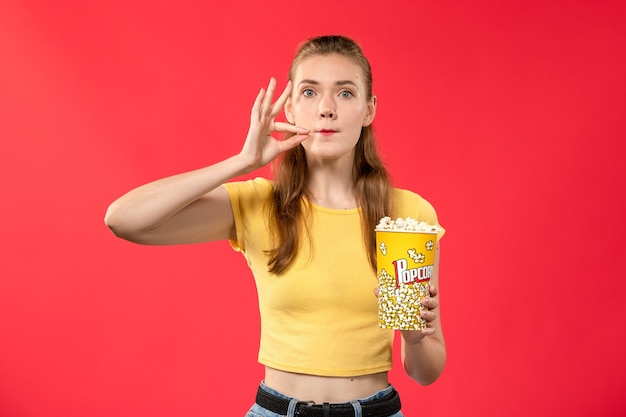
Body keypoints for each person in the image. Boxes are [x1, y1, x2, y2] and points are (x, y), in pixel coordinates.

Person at [105, 35, 446, 417]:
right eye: (309, 92)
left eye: (346, 93)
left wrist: (416, 339)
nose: (327, 109)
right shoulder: (260, 203)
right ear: (292, 110)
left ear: (369, 110)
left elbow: (425, 371)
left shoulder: (406, 215)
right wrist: (241, 162)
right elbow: (124, 220)